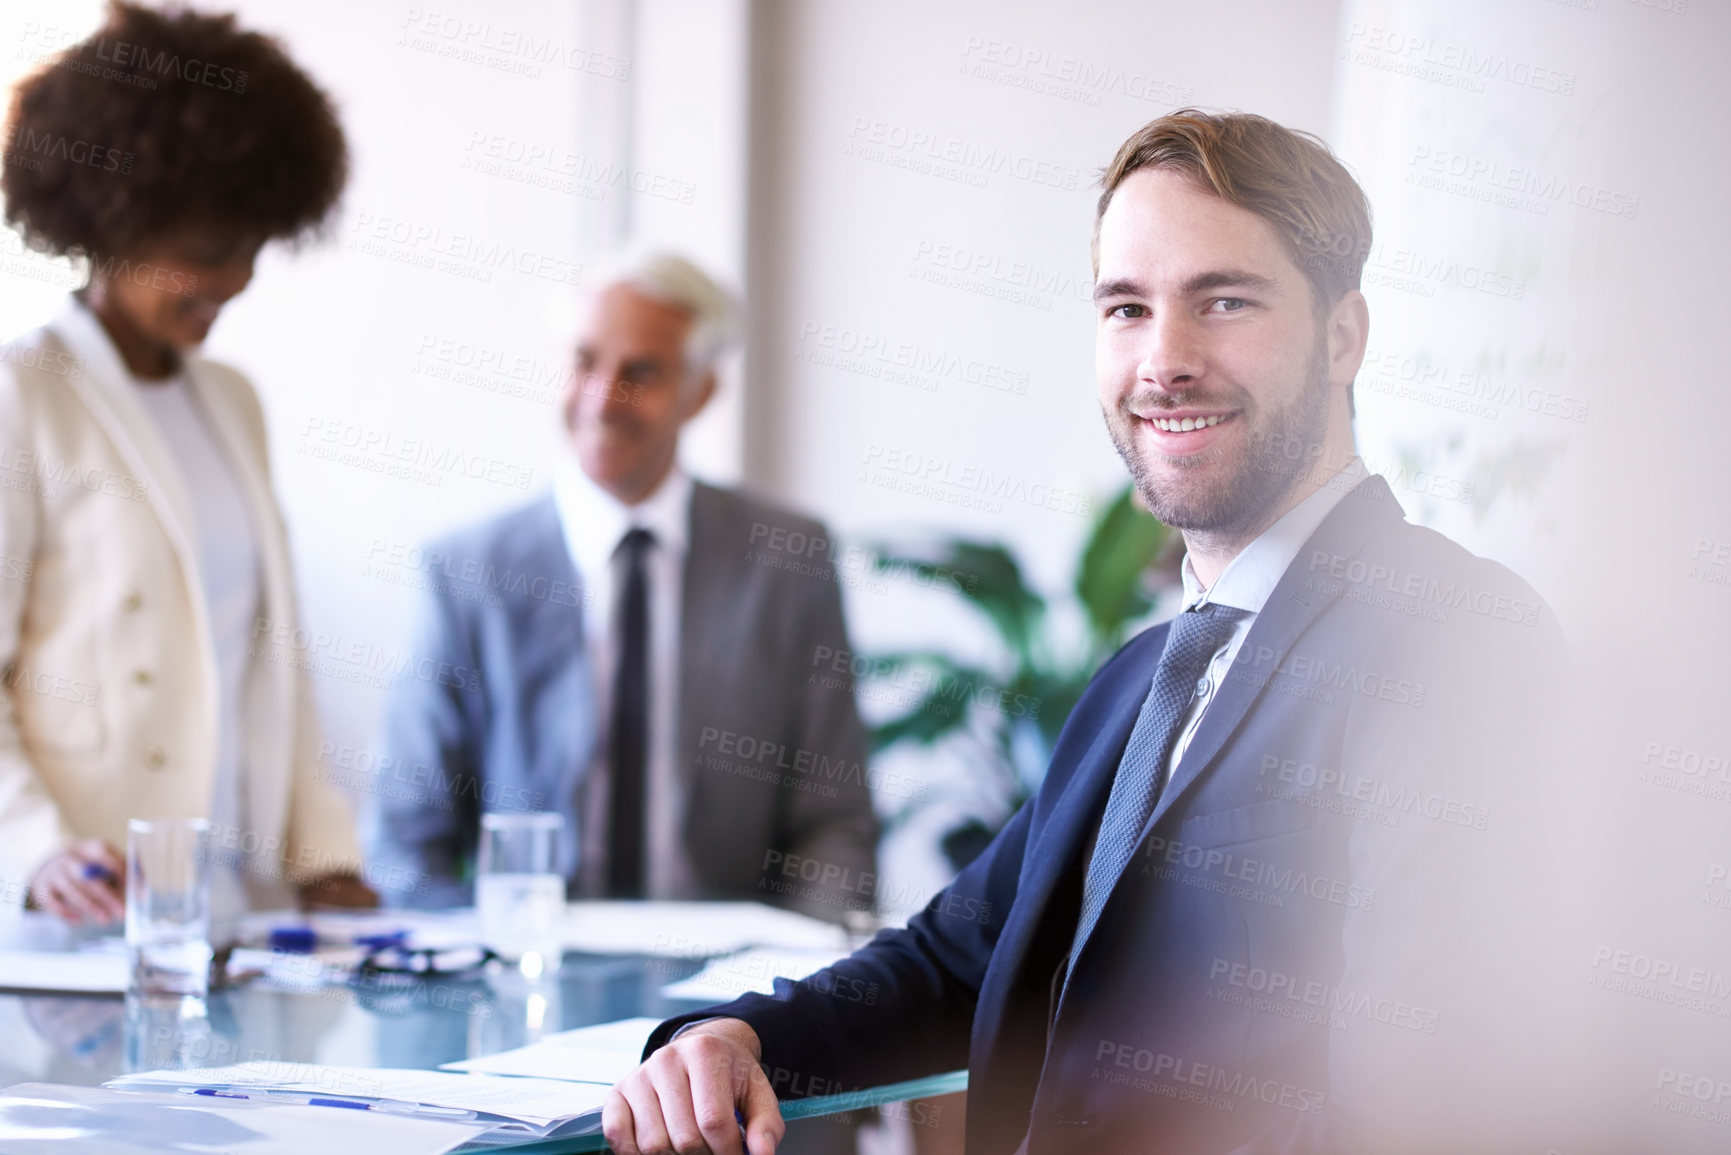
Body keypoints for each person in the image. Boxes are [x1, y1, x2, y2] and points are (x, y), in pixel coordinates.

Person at [603, 111, 1565, 1155]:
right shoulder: (1147, 676)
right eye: (1127, 308)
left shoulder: (1456, 640)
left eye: (1225, 301)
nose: (1166, 360)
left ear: (1343, 335)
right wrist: (737, 1036)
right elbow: (952, 959)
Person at [0, 2, 373, 924]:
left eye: (250, 249)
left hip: (241, 908)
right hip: (89, 910)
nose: (235, 281)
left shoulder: (231, 402)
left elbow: (273, 650)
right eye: (207, 252)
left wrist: (323, 854)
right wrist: (34, 850)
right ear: (113, 222)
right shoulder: (23, 394)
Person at [368, 251, 879, 919]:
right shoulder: (466, 571)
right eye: (583, 361)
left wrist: (792, 988)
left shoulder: (788, 558)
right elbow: (407, 838)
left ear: (700, 392)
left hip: (732, 990)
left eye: (640, 372)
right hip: (527, 973)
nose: (602, 398)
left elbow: (834, 821)